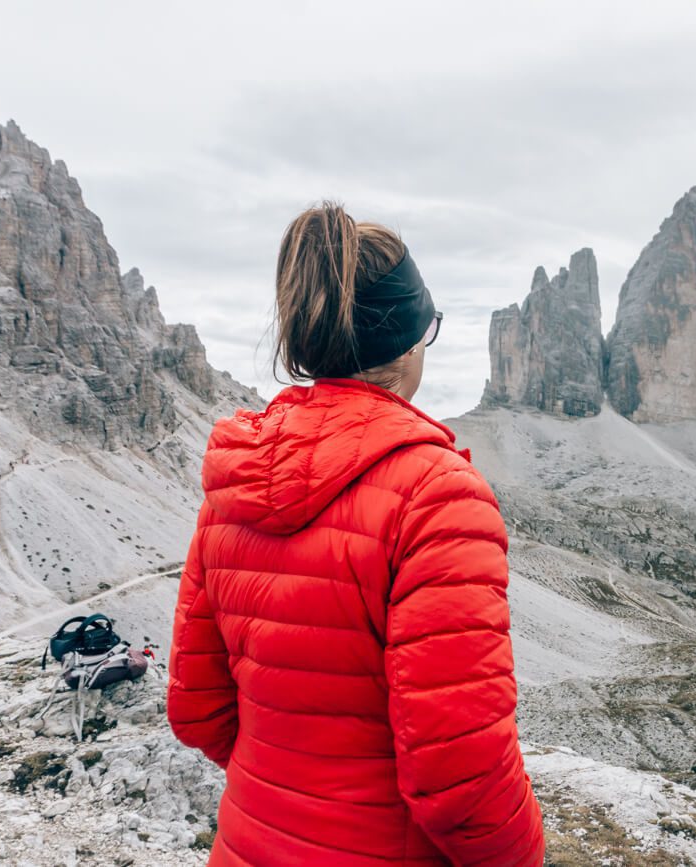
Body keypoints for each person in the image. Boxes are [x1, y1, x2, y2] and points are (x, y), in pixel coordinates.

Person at [166, 201, 546, 866]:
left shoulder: (233, 485)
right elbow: (462, 772)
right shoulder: (439, 493)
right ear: (404, 345)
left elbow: (197, 710)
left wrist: (291, 779)